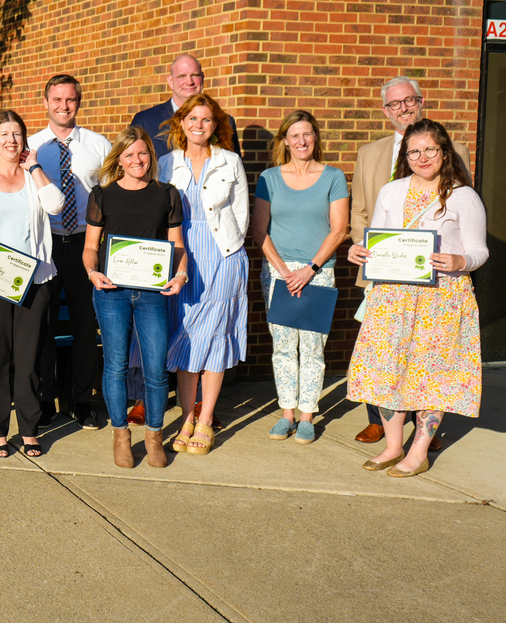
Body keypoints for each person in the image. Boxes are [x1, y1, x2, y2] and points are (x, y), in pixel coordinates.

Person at [346, 119, 485, 477]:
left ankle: (418, 451)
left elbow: (479, 250)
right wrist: (360, 251)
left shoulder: (463, 196)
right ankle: (393, 446)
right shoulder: (391, 191)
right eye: (414, 152)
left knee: (431, 377)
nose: (422, 157)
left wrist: (461, 260)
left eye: (430, 150)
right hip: (393, 296)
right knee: (386, 370)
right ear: (405, 156)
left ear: (444, 152)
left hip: (443, 299)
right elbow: (377, 239)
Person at [0, 110, 64, 459]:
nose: (11, 140)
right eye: (4, 134)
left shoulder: (34, 177)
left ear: (24, 140)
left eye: (17, 134)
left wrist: (34, 167)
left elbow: (56, 205)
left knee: (29, 358)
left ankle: (30, 430)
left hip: (33, 281)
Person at [83, 128, 188, 469]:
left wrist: (181, 274)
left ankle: (154, 436)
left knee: (156, 368)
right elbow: (89, 248)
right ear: (119, 159)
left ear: (150, 157)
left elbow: (178, 246)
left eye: (142, 154)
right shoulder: (102, 196)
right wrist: (92, 272)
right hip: (111, 292)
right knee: (115, 365)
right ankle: (121, 434)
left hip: (152, 293)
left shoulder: (167, 195)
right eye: (129, 155)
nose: (136, 160)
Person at [158, 95, 248, 457]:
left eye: (207, 120)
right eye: (192, 118)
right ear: (181, 122)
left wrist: (227, 251)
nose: (199, 125)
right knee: (186, 337)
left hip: (221, 255)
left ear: (216, 125)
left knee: (213, 336)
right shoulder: (166, 163)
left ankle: (206, 419)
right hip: (181, 255)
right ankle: (185, 419)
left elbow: (240, 216)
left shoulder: (231, 161)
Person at [252, 110, 349, 445]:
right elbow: (259, 229)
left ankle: (307, 414)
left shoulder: (334, 176)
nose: (302, 141)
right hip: (279, 272)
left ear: (315, 137)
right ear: (285, 140)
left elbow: (340, 230)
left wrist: (309, 269)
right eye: (294, 135)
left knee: (312, 348)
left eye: (307, 134)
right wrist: (283, 270)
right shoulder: (269, 178)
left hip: (317, 272)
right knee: (282, 346)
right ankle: (287, 413)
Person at [27, 74, 111, 430]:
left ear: (79, 102)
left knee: (83, 325)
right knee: (41, 326)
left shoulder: (98, 145)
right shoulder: (30, 147)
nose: (64, 106)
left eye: (70, 100)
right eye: (57, 99)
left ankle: (82, 399)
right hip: (44, 247)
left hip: (84, 246)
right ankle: (45, 399)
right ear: (45, 102)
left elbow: (111, 198)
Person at [130, 54, 239, 160]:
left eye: (195, 75)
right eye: (182, 76)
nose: (189, 82)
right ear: (170, 81)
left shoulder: (225, 121)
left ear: (202, 78)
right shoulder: (145, 121)